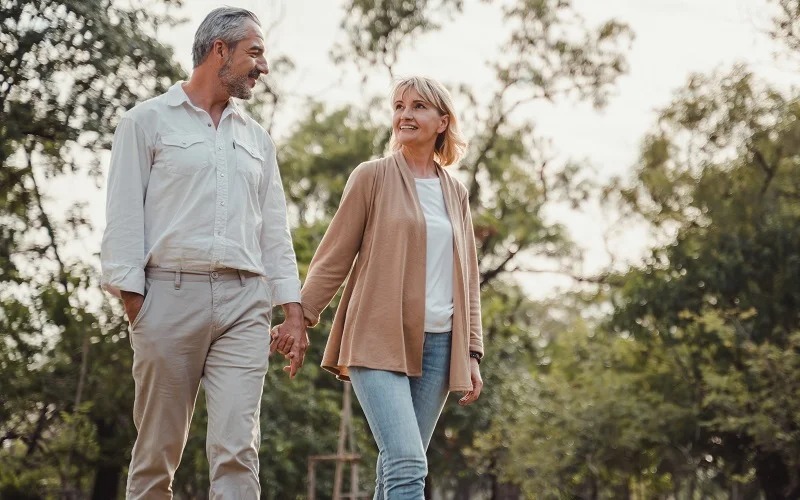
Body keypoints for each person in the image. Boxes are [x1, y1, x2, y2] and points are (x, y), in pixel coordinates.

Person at [100, 7, 307, 499]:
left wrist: (293, 312)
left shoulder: (258, 140)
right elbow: (123, 219)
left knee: (239, 452)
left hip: (245, 304)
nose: (263, 66)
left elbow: (274, 232)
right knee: (157, 452)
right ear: (220, 51)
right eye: (255, 53)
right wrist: (136, 304)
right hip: (167, 298)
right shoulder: (145, 122)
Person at [274, 76, 484, 499]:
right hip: (377, 336)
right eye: (399, 106)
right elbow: (334, 255)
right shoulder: (371, 176)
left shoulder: (456, 193)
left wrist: (472, 352)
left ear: (443, 121)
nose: (405, 115)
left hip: (440, 345)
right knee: (408, 462)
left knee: (395, 469)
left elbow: (468, 278)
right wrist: (300, 318)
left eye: (418, 106)